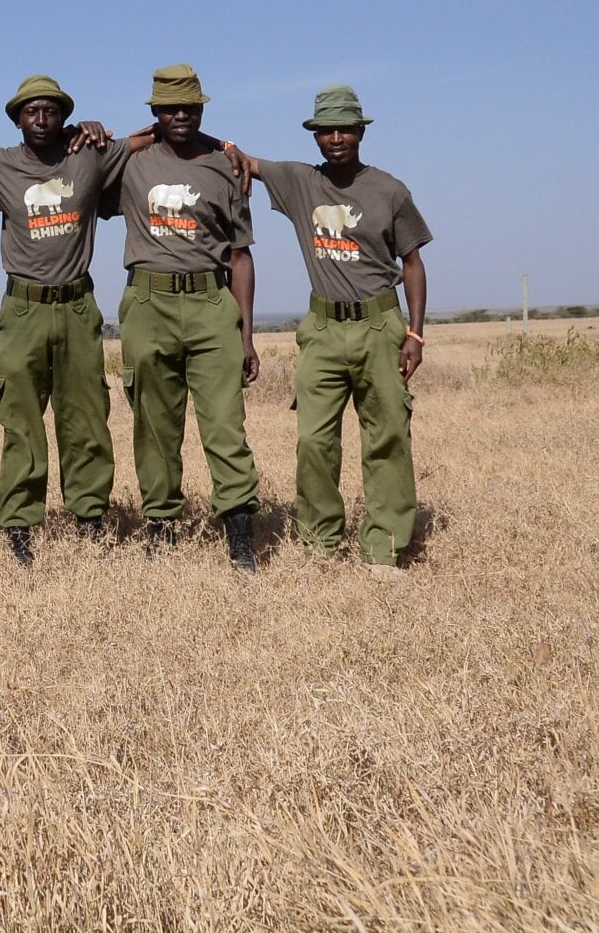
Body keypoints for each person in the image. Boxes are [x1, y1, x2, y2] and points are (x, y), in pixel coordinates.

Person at [245, 84, 431, 578]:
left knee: (388, 435)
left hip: (380, 326)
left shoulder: (389, 190)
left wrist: (414, 335)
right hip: (323, 328)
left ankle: (385, 547)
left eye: (344, 128)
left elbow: (412, 263)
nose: (335, 138)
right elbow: (240, 159)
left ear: (360, 131)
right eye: (325, 130)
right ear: (315, 136)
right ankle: (320, 544)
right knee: (314, 442)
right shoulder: (299, 181)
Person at [0, 75, 128, 565]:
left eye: (51, 112)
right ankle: (19, 522)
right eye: (31, 112)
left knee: (85, 415)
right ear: (17, 118)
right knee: (20, 417)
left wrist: (100, 129)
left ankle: (89, 515)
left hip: (78, 306)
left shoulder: (89, 156)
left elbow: (147, 140)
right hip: (24, 307)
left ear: (65, 117)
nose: (41, 120)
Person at [109, 64, 263, 571]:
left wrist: (245, 333)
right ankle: (162, 528)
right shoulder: (132, 164)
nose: (181, 115)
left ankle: (240, 534)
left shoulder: (226, 167)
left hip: (210, 302)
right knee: (154, 424)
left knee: (225, 425)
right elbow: (81, 163)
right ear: (154, 113)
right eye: (170, 108)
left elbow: (240, 255)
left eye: (190, 108)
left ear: (202, 111)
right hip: (148, 302)